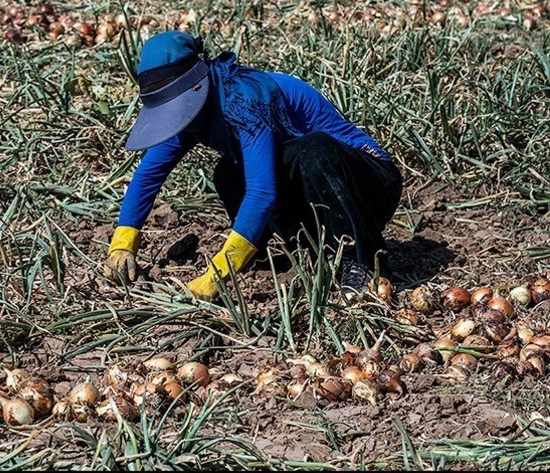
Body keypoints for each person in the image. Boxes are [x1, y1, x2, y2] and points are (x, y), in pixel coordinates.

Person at [102, 31, 402, 301]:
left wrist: (219, 271)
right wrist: (123, 244)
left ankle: (362, 261)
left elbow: (262, 192)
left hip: (369, 185)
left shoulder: (243, 101)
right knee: (229, 173)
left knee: (312, 150)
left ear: (195, 87)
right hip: (318, 188)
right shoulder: (189, 115)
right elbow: (148, 175)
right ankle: (264, 250)